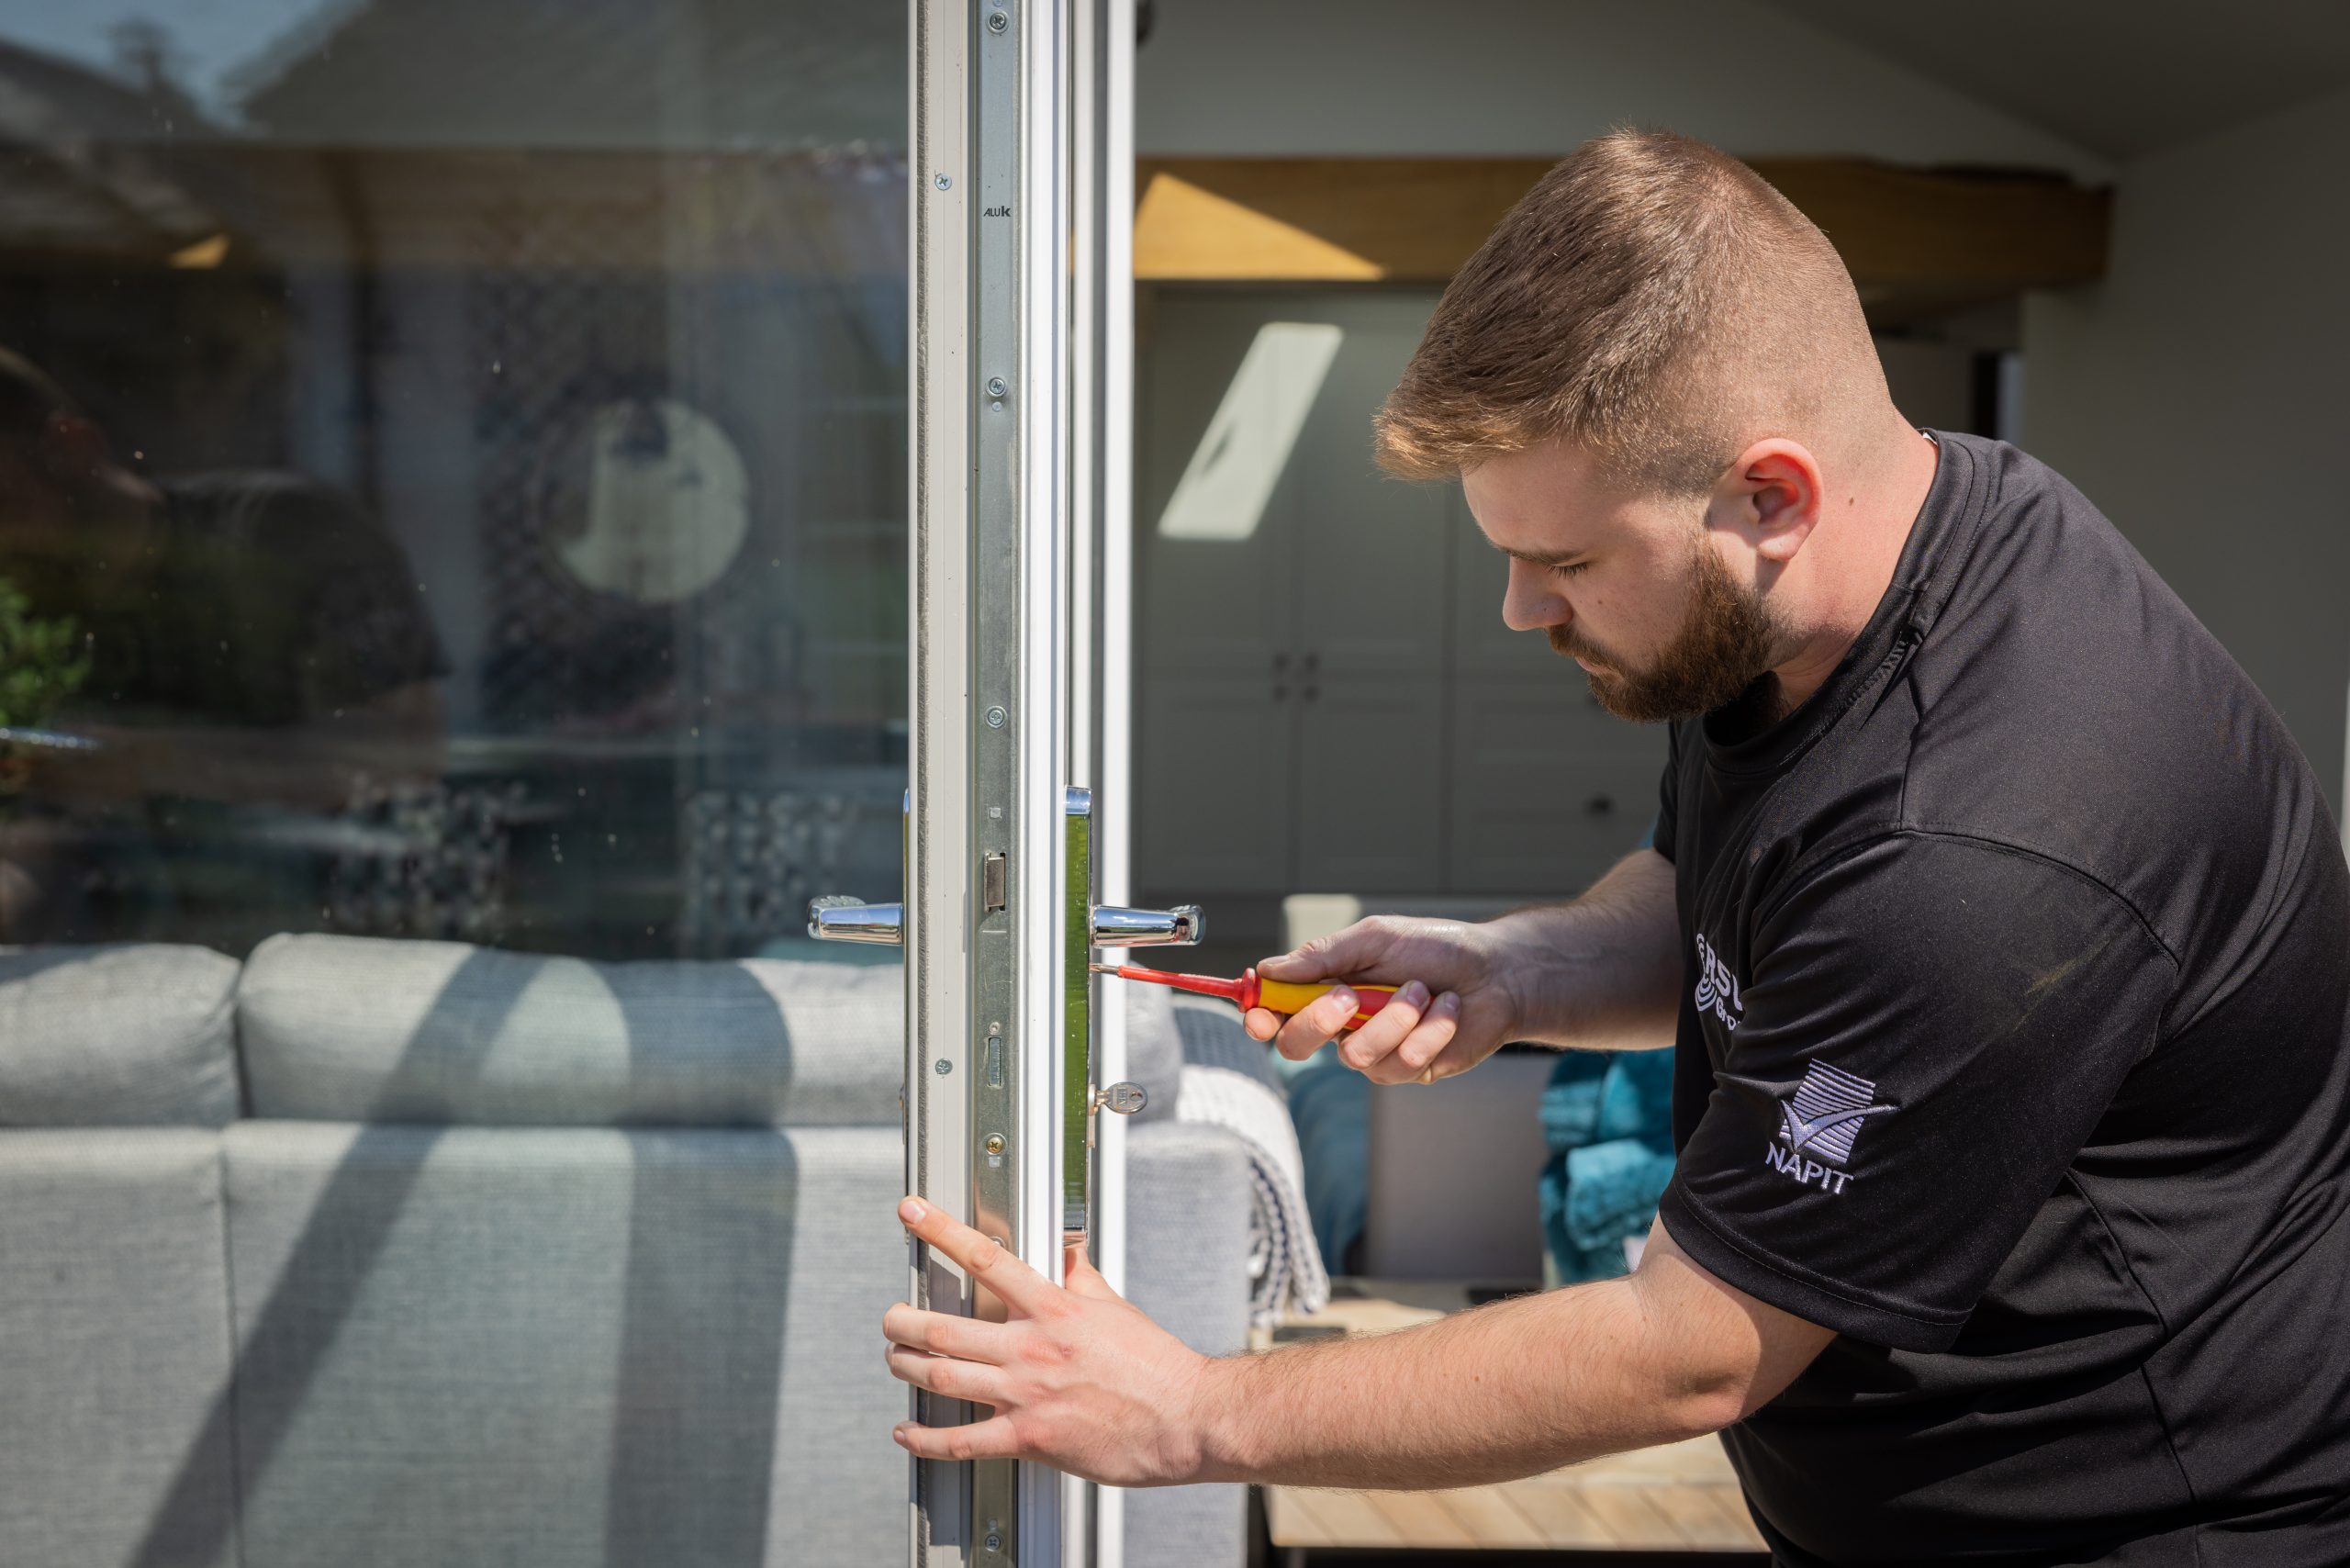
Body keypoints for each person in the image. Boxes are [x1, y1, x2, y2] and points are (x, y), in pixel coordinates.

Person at [880, 129, 2350, 1563]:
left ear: (1771, 495)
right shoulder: (1846, 582)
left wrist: (1193, 1411)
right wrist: (1514, 972)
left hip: (2146, 1524)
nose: (1522, 611)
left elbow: (1689, 1350)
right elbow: (1723, 897)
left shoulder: (1985, 844)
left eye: (1569, 561)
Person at [0, 348, 446, 939]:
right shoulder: (29, 612)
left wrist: (142, 763)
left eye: (5, 506)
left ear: (72, 446)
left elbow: (408, 752)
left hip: (346, 956)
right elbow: (39, 848)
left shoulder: (283, 532)